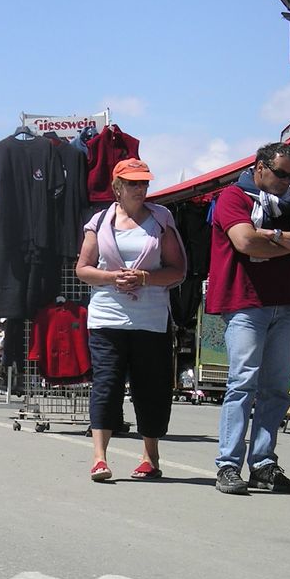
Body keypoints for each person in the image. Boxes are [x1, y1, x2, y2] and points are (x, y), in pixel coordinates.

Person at [76, 159, 186, 482]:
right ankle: (99, 458)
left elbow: (177, 269)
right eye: (133, 183)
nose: (140, 189)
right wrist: (112, 277)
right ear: (117, 187)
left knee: (151, 386)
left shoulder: (161, 219)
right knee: (106, 384)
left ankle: (150, 456)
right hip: (107, 316)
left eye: (144, 183)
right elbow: (83, 268)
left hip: (150, 318)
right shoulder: (99, 222)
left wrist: (145, 278)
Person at [206, 142, 290, 495]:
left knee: (276, 390)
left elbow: (257, 241)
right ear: (260, 167)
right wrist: (286, 240)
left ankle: (263, 464)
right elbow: (245, 242)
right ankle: (228, 465)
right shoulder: (234, 197)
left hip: (287, 304)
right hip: (245, 303)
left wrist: (271, 235)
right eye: (281, 174)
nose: (287, 181)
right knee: (242, 384)